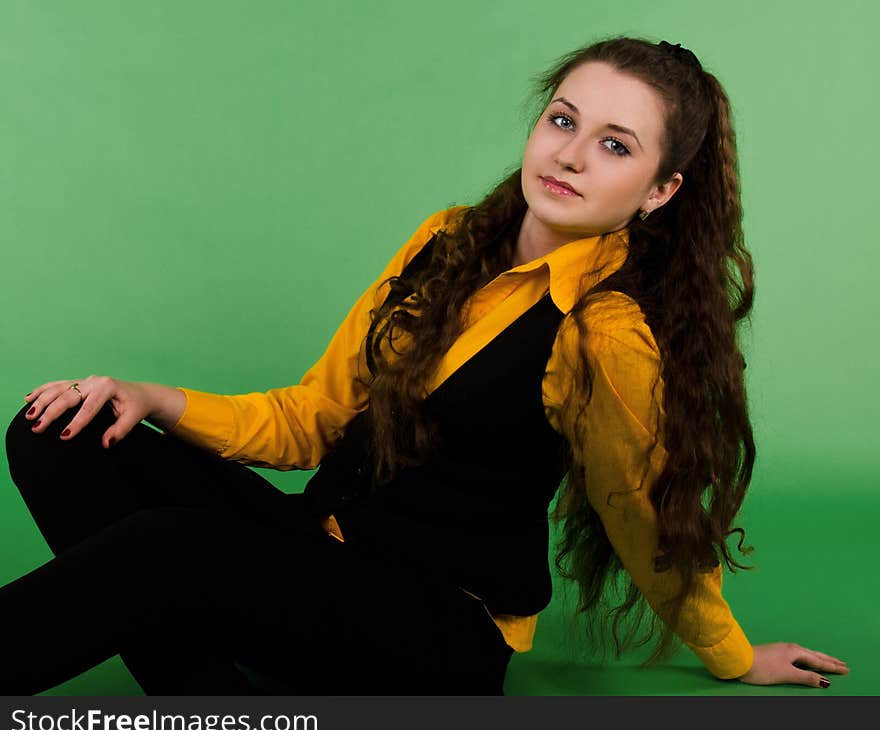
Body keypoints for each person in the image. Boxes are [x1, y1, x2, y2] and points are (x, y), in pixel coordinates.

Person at [2, 35, 848, 695]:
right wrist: (145, 396)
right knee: (56, 433)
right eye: (563, 120)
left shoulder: (605, 332)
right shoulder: (446, 241)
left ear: (661, 190)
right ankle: (217, 707)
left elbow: (643, 514)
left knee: (164, 551)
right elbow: (314, 417)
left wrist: (731, 654)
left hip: (433, 632)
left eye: (616, 146)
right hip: (323, 553)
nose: (571, 155)